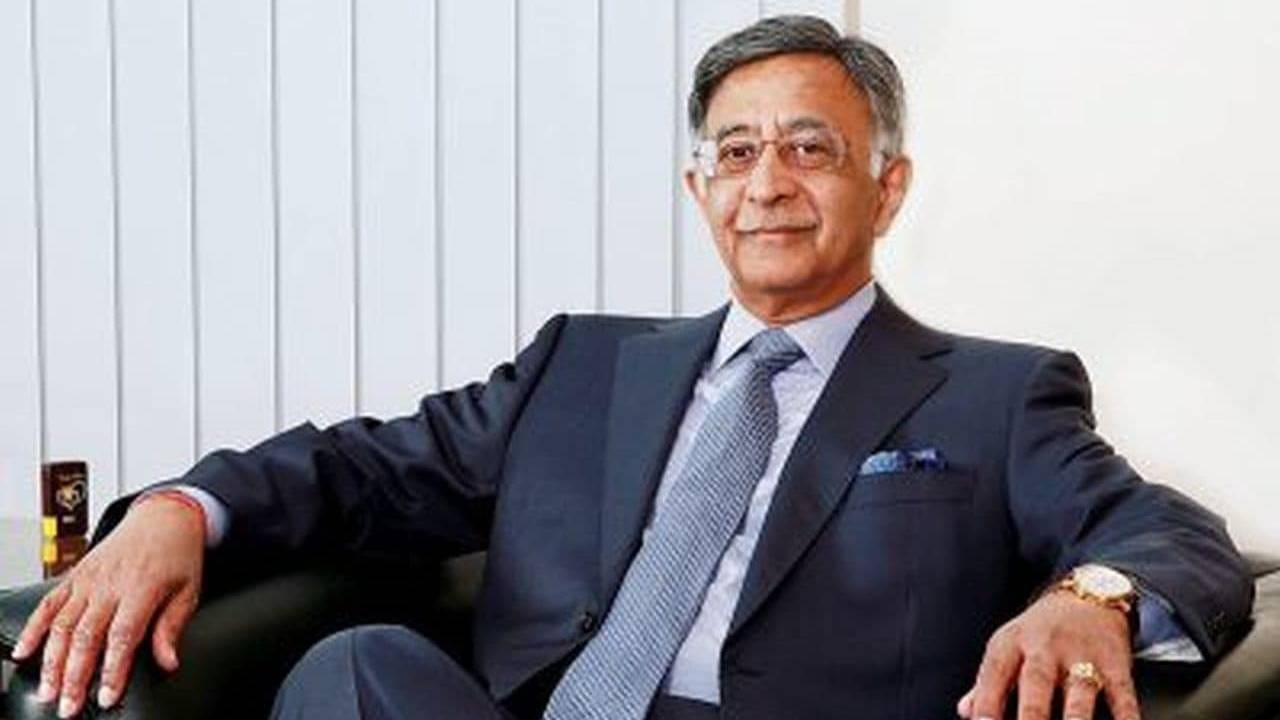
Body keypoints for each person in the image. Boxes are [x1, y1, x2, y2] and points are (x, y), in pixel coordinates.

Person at [10, 15, 1253, 720]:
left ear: (886, 188)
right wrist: (179, 511)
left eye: (809, 149)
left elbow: (1167, 532)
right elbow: (364, 470)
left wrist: (1088, 597)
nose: (766, 182)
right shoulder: (582, 365)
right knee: (356, 668)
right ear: (697, 190)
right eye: (735, 152)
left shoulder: (992, 392)